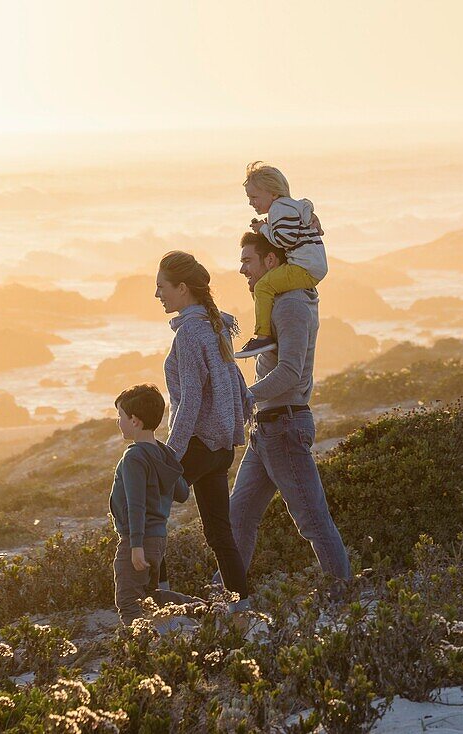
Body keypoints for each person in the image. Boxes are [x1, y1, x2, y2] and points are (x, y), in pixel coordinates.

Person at [228, 231, 350, 580]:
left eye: (247, 261)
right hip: (265, 429)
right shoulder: (278, 301)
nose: (242, 270)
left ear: (271, 261)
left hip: (284, 426)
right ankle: (227, 598)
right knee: (238, 519)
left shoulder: (292, 304)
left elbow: (291, 373)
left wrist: (246, 396)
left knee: (312, 521)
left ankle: (342, 598)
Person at [155, 251, 253, 607]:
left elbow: (191, 400)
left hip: (197, 445)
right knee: (218, 530)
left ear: (182, 288)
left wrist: (170, 452)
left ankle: (156, 598)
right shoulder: (216, 326)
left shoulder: (190, 335)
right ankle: (242, 604)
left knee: (150, 509)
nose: (157, 295)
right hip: (221, 447)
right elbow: (236, 381)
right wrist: (234, 427)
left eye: (162, 287)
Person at [109, 383, 191, 626]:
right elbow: (183, 493)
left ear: (134, 421)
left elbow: (136, 505)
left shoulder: (134, 456)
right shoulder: (163, 453)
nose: (118, 421)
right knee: (150, 596)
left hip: (138, 541)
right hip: (157, 540)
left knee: (128, 602)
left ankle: (139, 652)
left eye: (120, 416)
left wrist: (135, 546)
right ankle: (201, 609)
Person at [235, 161, 329, 359]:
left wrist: (263, 229)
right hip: (311, 266)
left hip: (304, 268)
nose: (251, 202)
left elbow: (285, 239)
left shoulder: (279, 209)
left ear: (273, 194)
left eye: (254, 197)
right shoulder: (290, 207)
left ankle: (263, 336)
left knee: (262, 287)